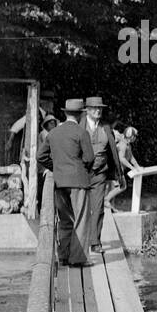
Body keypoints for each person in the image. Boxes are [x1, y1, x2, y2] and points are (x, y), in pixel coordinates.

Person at [37, 98, 94, 267]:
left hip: (59, 182)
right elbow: (90, 158)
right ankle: (78, 258)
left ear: (65, 113)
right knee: (81, 220)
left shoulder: (53, 133)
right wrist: (81, 168)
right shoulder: (82, 133)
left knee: (65, 220)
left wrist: (55, 167)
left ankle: (63, 256)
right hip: (78, 181)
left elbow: (40, 156)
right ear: (81, 114)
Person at [82, 95, 123, 253]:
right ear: (87, 110)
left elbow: (113, 151)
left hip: (100, 174)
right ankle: (79, 241)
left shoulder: (106, 127)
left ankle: (95, 242)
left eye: (100, 108)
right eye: (94, 108)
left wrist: (119, 175)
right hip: (81, 173)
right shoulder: (80, 126)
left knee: (98, 208)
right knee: (80, 208)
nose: (98, 111)